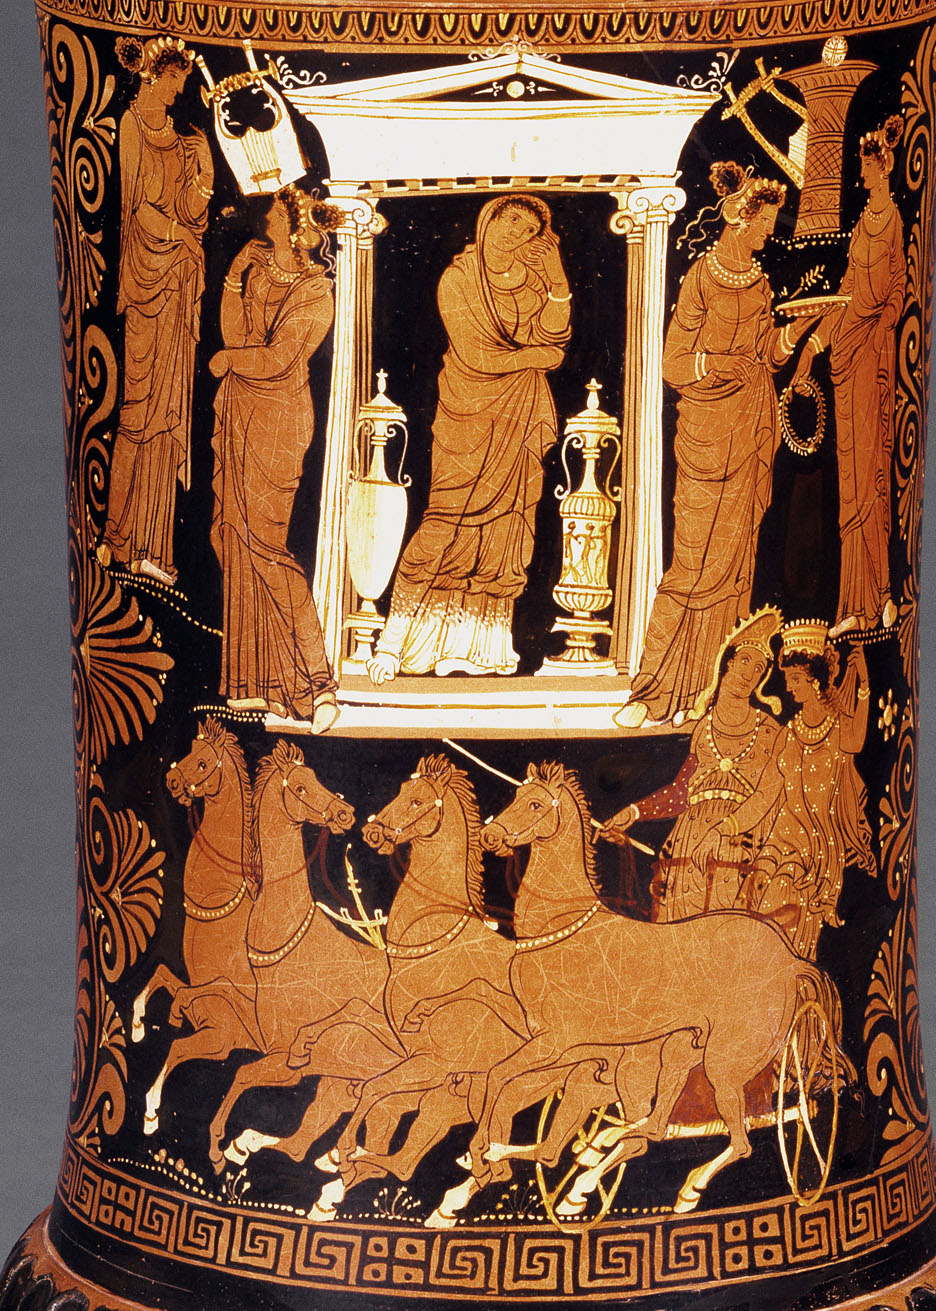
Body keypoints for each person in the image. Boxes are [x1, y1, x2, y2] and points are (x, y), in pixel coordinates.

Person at [616, 163, 819, 729]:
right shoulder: (701, 278)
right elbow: (674, 363)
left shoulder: (760, 281)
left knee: (734, 570)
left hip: (750, 431)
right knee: (692, 566)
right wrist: (725, 365)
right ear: (739, 218)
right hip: (707, 435)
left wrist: (797, 329)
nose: (769, 235)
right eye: (765, 224)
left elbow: (767, 356)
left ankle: (707, 695)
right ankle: (654, 689)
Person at [367, 194, 571, 683]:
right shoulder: (459, 278)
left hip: (518, 413)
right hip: (467, 411)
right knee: (445, 521)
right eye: (511, 220)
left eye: (528, 230)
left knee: (506, 530)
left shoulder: (535, 278)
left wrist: (558, 279)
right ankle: (396, 644)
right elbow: (478, 354)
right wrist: (534, 357)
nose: (516, 233)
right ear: (489, 219)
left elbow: (555, 336)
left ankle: (482, 648)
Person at [210, 187, 342, 734]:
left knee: (266, 548)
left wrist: (227, 361)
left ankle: (317, 684)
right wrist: (233, 277)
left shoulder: (316, 291)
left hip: (280, 420)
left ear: (291, 222)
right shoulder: (260, 270)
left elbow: (280, 359)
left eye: (272, 208)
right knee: (232, 538)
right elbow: (237, 335)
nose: (261, 213)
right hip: (241, 410)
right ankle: (258, 681)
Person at [98, 35, 213, 587]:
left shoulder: (185, 141)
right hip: (147, 284)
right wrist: (180, 236)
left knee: (167, 417)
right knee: (137, 412)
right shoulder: (131, 126)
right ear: (154, 75)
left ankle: (153, 548)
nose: (179, 91)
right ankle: (115, 537)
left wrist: (204, 178)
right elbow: (138, 208)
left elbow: (192, 211)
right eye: (175, 81)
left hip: (179, 289)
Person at [793, 115, 906, 638]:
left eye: (865, 166)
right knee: (850, 482)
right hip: (847, 357)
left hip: (872, 358)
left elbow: (895, 290)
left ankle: (881, 595)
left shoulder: (893, 221)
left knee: (871, 479)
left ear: (882, 168)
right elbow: (845, 292)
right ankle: (854, 605)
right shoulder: (863, 223)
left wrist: (879, 332)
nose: (860, 174)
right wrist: (813, 345)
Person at [704, 621, 875, 960]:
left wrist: (864, 684)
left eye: (795, 679)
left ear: (814, 681)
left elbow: (857, 740)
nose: (788, 687)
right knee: (751, 909)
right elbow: (765, 795)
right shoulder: (790, 733)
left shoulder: (838, 729)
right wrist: (726, 827)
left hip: (816, 852)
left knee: (783, 930)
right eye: (788, 679)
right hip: (780, 842)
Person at [602, 608, 783, 920]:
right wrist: (633, 812)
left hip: (737, 842)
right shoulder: (703, 728)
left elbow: (769, 796)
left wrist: (724, 830)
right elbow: (681, 792)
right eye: (744, 661)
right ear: (729, 661)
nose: (748, 673)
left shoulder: (768, 730)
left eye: (758, 669)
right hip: (687, 841)